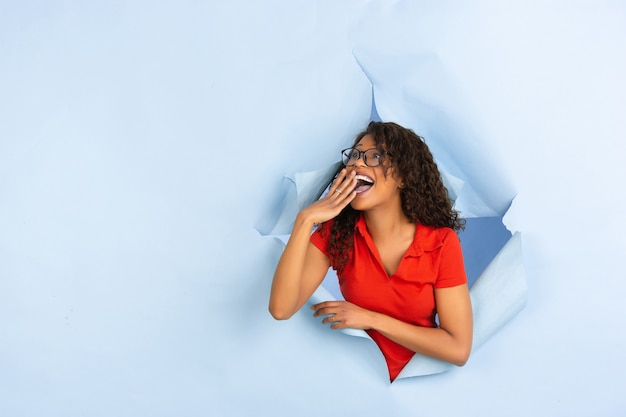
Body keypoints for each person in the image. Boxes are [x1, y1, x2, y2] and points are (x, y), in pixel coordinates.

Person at [269, 121, 473, 381]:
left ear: (404, 176)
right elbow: (281, 308)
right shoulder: (336, 233)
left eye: (374, 156)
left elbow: (458, 349)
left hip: (420, 385)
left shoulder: (441, 242)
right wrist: (305, 220)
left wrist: (370, 319)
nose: (356, 164)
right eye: (354, 155)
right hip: (355, 382)